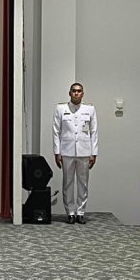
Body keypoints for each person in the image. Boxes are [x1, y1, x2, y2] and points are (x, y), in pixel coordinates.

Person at [52, 83, 98, 225]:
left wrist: (94, 153)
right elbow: (56, 131)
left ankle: (80, 212)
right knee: (68, 182)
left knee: (83, 183)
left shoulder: (89, 109)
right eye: (74, 91)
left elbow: (94, 132)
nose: (76, 93)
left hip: (84, 151)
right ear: (69, 93)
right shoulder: (61, 109)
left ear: (83, 94)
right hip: (67, 151)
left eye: (79, 91)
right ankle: (70, 212)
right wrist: (57, 152)